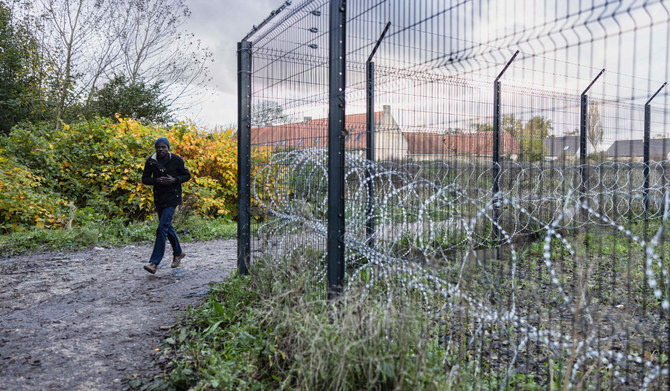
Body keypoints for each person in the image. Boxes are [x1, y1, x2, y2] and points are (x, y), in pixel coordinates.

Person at [141, 137, 191, 274]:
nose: (161, 149)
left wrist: (174, 180)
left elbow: (187, 176)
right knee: (167, 227)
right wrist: (156, 180)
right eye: (158, 147)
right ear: (155, 148)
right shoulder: (151, 161)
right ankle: (178, 253)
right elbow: (144, 179)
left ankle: (154, 263)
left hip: (173, 198)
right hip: (159, 198)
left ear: (168, 148)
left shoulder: (177, 160)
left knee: (161, 227)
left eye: (164, 147)